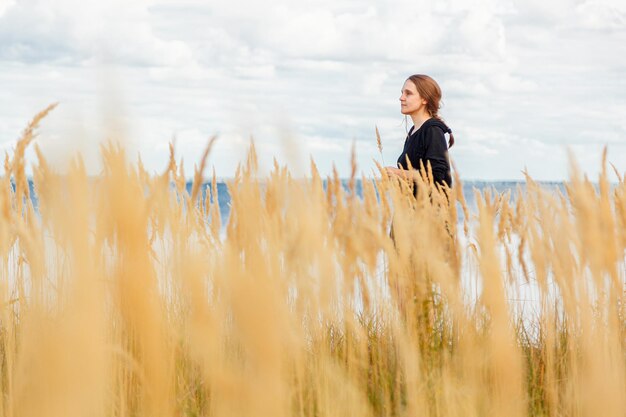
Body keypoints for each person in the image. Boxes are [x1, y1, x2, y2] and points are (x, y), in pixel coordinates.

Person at [385, 74, 454, 192]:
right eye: (402, 93)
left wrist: (399, 173)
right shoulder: (414, 131)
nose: (401, 98)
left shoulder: (432, 130)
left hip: (430, 209)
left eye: (408, 93)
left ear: (424, 99)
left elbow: (437, 176)